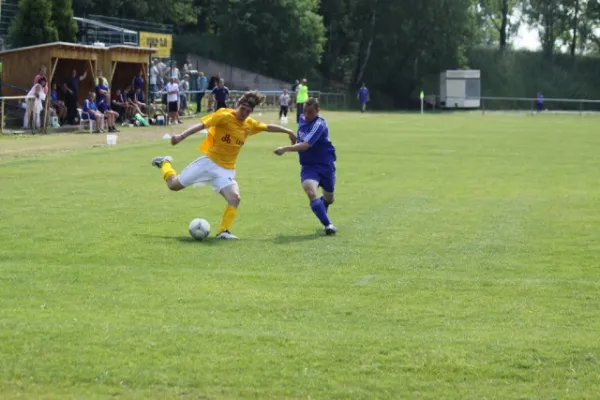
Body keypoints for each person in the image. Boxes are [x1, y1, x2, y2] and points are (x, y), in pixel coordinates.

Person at [150, 91, 297, 240]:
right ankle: (165, 163)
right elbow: (201, 125)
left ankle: (223, 231)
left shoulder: (249, 124)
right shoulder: (224, 116)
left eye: (248, 111)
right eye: (242, 109)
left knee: (235, 198)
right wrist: (181, 136)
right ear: (237, 106)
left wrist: (289, 131)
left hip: (225, 170)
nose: (244, 113)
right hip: (208, 163)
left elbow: (267, 127)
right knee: (173, 185)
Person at [273, 98, 337, 235]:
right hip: (309, 166)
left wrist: (285, 149)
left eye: (311, 113)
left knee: (329, 199)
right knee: (310, 192)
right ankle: (328, 224)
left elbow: (305, 145)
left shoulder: (319, 125)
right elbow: (300, 139)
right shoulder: (302, 118)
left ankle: (321, 205)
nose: (307, 115)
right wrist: (293, 139)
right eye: (305, 112)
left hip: (325, 165)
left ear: (318, 111)